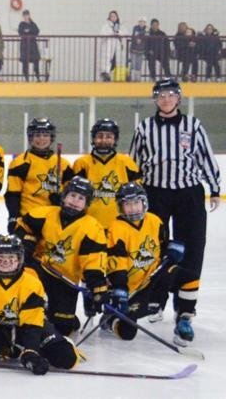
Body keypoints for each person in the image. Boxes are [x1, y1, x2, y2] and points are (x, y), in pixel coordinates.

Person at [129, 79, 220, 345]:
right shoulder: (145, 128)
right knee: (156, 247)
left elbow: (205, 156)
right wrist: (132, 193)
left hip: (188, 193)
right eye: (161, 95)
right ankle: (156, 300)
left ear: (178, 99)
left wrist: (214, 187)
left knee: (192, 249)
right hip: (155, 193)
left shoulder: (193, 125)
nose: (166, 99)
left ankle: (186, 311)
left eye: (171, 95)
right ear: (155, 99)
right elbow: (133, 163)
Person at [0, 235, 80, 375]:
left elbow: (32, 322)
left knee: (66, 359)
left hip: (25, 327)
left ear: (19, 260)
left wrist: (31, 350)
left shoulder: (32, 283)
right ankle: (8, 348)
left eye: (11, 258)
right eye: (1, 258)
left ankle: (41, 344)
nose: (6, 261)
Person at [14, 176, 109, 337]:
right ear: (64, 197)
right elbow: (22, 227)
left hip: (66, 279)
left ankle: (68, 319)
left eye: (80, 199)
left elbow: (93, 259)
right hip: (40, 269)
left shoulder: (92, 227)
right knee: (29, 283)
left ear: (86, 204)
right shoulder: (44, 214)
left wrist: (97, 288)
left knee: (63, 326)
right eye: (72, 195)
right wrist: (27, 242)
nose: (74, 201)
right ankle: (33, 312)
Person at [104, 183, 194, 342]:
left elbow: (163, 246)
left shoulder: (155, 221)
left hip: (155, 278)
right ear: (120, 207)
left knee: (189, 277)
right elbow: (116, 266)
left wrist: (173, 249)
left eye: (136, 203)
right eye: (128, 204)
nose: (133, 208)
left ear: (144, 202)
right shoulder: (115, 229)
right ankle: (110, 319)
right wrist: (120, 291)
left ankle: (184, 319)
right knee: (127, 333)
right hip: (131, 288)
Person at [5, 117, 73, 233]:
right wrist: (13, 217)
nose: (41, 139)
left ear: (51, 138)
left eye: (45, 135)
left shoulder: (64, 165)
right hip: (29, 219)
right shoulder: (20, 163)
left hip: (55, 219)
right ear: (30, 138)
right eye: (37, 135)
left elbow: (72, 194)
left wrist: (61, 199)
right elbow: (13, 194)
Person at [71, 118, 141, 228]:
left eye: (109, 136)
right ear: (93, 138)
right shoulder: (82, 163)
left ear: (115, 139)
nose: (104, 140)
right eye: (100, 136)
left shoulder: (127, 163)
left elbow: (138, 197)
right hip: (89, 225)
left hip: (120, 225)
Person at [18, 10, 42, 82]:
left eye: (27, 15)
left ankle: (37, 77)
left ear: (29, 15)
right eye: (24, 15)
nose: (26, 17)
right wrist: (30, 32)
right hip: (25, 46)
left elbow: (37, 31)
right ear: (23, 16)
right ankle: (26, 78)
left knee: (36, 60)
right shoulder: (21, 24)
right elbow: (21, 32)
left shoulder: (33, 24)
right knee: (25, 61)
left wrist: (28, 31)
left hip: (33, 46)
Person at [99, 11, 122, 82]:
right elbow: (102, 35)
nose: (113, 18)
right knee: (106, 62)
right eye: (111, 16)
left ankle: (109, 77)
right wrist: (111, 33)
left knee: (113, 63)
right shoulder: (106, 26)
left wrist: (118, 34)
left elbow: (122, 34)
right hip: (107, 47)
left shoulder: (119, 26)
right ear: (109, 17)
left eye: (114, 16)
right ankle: (105, 76)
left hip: (115, 48)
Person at [129, 17, 148, 82]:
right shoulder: (135, 27)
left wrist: (141, 36)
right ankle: (132, 78)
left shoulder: (147, 29)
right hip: (134, 49)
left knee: (139, 64)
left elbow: (146, 36)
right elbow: (135, 35)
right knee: (133, 63)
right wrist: (142, 35)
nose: (141, 23)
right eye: (140, 21)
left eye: (143, 22)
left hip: (141, 49)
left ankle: (138, 78)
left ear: (145, 23)